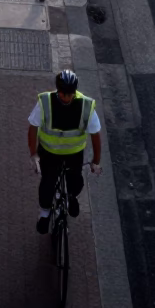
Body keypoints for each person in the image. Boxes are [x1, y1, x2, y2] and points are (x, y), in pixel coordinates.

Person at [28, 69, 102, 233]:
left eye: (70, 94)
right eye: (63, 94)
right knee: (47, 183)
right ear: (58, 90)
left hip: (74, 154)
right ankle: (45, 213)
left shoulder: (86, 105)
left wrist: (96, 161)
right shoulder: (45, 102)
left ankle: (72, 197)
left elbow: (95, 135)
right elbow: (33, 128)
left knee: (76, 181)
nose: (66, 98)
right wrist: (34, 154)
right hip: (49, 153)